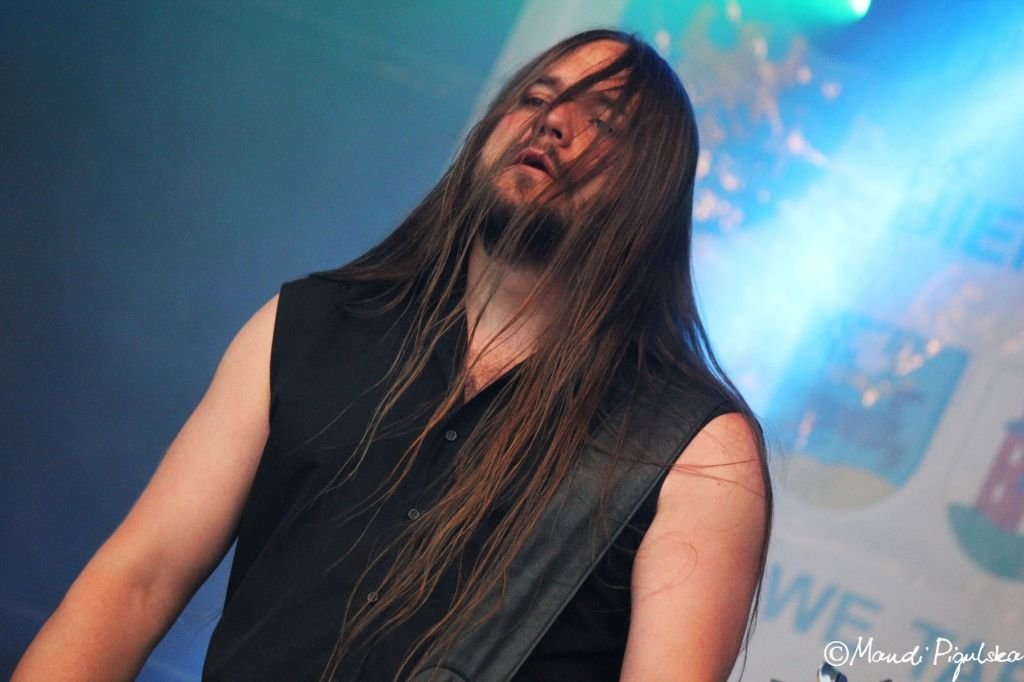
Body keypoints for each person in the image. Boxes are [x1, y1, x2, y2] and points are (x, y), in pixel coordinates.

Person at [14, 29, 771, 682]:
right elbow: (138, 580)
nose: (552, 121)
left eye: (600, 119)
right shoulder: (310, 324)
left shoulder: (694, 452)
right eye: (536, 97)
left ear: (651, 191)